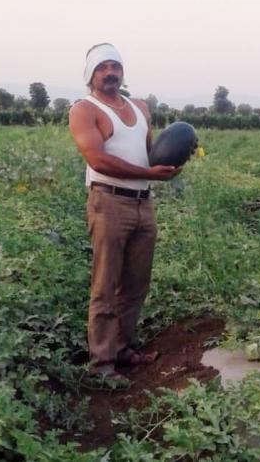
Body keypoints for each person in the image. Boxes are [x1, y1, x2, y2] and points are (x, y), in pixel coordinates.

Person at [69, 43, 180, 384]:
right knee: (106, 284)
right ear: (91, 74)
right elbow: (97, 159)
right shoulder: (84, 110)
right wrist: (150, 175)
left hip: (142, 203)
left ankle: (121, 349)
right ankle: (101, 365)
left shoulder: (140, 107)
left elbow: (148, 154)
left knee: (135, 283)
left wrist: (172, 162)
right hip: (109, 202)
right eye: (102, 67)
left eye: (115, 66)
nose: (110, 72)